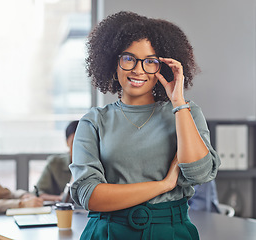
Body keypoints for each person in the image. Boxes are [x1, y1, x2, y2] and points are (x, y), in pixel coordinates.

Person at [69, 11, 220, 240]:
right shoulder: (94, 121)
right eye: (128, 58)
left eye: (150, 61)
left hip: (170, 231)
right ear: (113, 62)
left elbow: (200, 172)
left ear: (163, 67)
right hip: (108, 232)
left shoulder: (186, 112)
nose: (138, 69)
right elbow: (89, 195)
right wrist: (164, 185)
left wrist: (178, 102)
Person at [36, 120, 79, 202]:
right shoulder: (55, 163)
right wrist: (59, 198)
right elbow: (38, 193)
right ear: (66, 142)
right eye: (73, 142)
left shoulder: (98, 164)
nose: (78, 147)